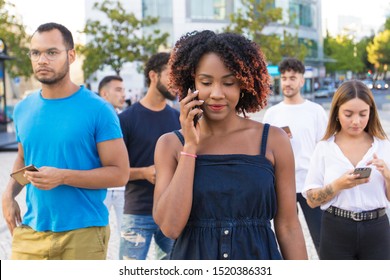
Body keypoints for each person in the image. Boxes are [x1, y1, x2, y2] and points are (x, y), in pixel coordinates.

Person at [153, 30, 308, 260]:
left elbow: (288, 226)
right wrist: (190, 148)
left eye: (229, 83)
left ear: (244, 85)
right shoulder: (170, 145)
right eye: (206, 82)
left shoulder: (274, 141)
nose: (216, 93)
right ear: (190, 82)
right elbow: (170, 228)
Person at [1, 22, 129, 260]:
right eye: (36, 53)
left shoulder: (99, 109)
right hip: (31, 232)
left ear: (71, 56)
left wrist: (62, 176)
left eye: (51, 52)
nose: (42, 60)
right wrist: (8, 194)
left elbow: (120, 173)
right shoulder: (23, 109)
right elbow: (23, 157)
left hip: (84, 234)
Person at [303, 80, 390, 260]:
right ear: (336, 112)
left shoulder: (383, 146)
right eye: (348, 114)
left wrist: (388, 177)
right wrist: (338, 185)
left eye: (363, 114)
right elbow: (311, 200)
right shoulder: (324, 148)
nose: (356, 121)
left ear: (371, 113)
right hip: (336, 229)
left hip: (377, 230)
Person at [262, 57, 327, 255]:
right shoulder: (272, 114)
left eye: (292, 77)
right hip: (282, 185)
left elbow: (325, 148)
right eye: (284, 78)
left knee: (322, 240)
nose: (287, 82)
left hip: (311, 185)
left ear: (301, 80)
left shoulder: (316, 111)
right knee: (286, 241)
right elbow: (264, 151)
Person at [118, 52, 180, 260]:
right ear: (153, 76)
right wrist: (143, 173)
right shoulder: (126, 119)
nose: (176, 82)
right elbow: (112, 170)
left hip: (172, 212)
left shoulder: (180, 119)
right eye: (171, 76)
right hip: (137, 211)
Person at [98, 75, 126, 259]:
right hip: (101, 188)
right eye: (118, 90)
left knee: (127, 236)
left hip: (124, 188)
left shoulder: (123, 118)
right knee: (97, 235)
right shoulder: (95, 118)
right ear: (104, 93)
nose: (123, 94)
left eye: (123, 90)